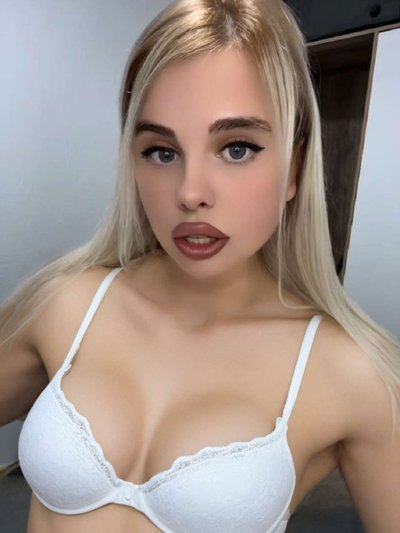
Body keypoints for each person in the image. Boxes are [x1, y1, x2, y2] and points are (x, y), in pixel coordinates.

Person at [1, 0, 399, 531]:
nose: (190, 193)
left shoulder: (351, 374)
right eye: (161, 152)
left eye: (237, 148)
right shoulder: (66, 303)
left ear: (295, 167)